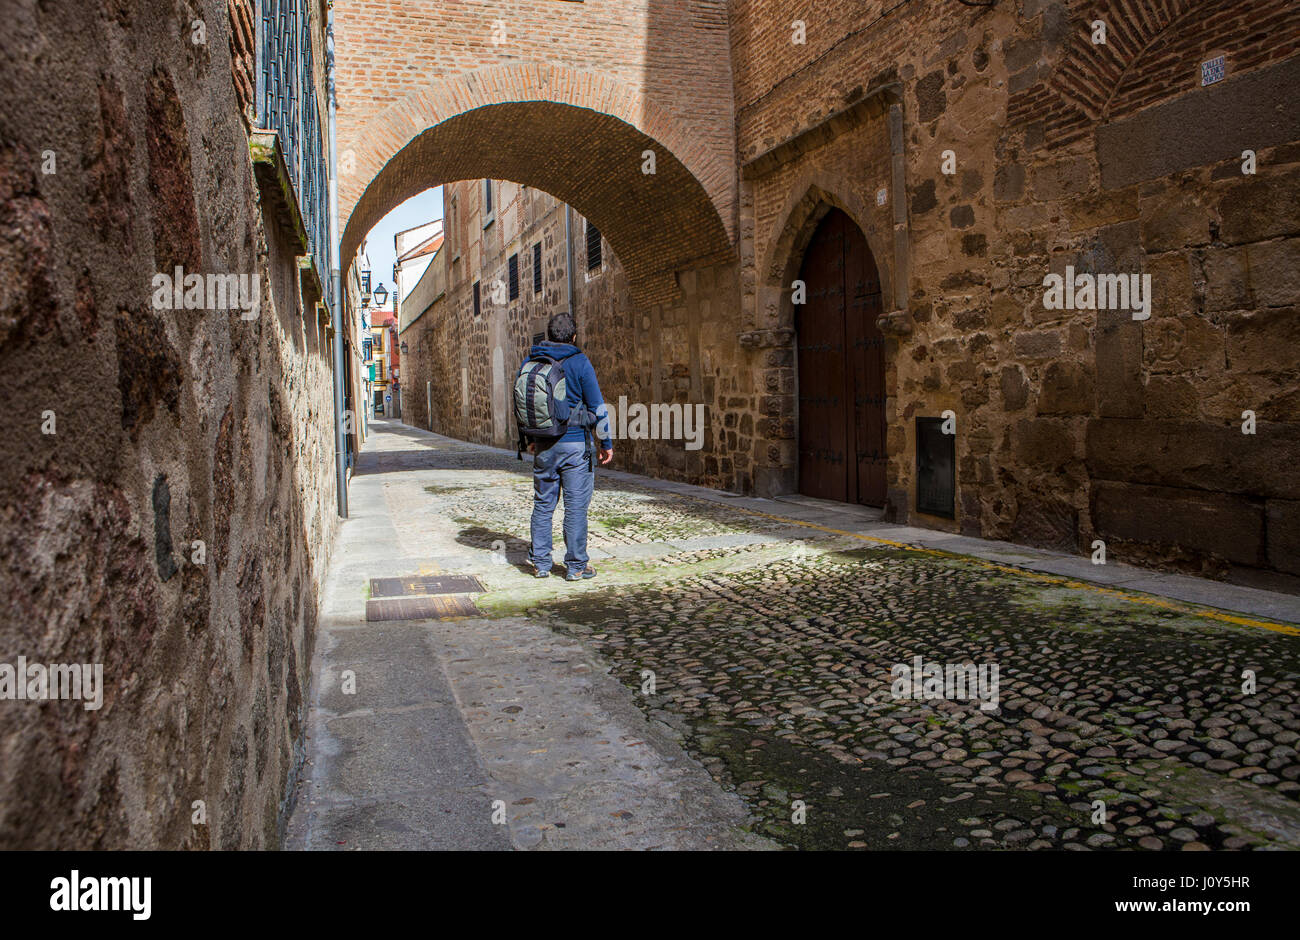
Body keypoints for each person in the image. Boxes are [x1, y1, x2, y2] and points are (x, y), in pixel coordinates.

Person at [522, 312, 614, 581]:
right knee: (575, 506)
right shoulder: (580, 362)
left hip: (544, 444)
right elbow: (597, 406)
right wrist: (605, 442)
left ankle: (540, 563)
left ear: (549, 336)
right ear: (574, 337)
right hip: (575, 445)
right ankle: (575, 566)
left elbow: (525, 402)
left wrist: (530, 439)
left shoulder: (532, 360)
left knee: (543, 503)